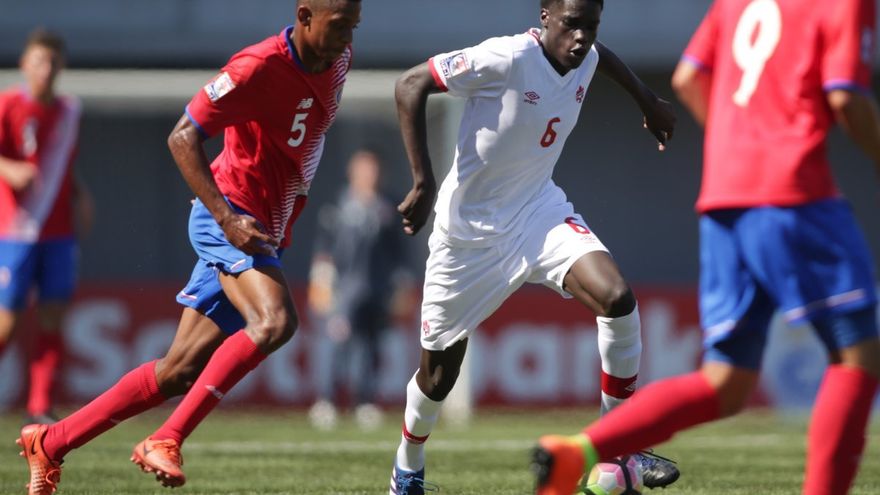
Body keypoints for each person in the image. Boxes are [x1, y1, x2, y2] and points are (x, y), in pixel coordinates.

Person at [533, 0, 880, 493]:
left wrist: (744, 146)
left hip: (726, 199)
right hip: (795, 194)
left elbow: (689, 77)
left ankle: (578, 451)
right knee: (856, 356)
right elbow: (845, 96)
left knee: (726, 382)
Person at [16, 1, 361, 494]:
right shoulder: (256, 67)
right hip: (230, 216)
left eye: (354, 26)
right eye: (340, 25)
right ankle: (168, 437)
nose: (348, 37)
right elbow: (182, 137)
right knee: (274, 322)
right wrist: (226, 216)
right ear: (305, 16)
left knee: (177, 371)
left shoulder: (339, 59)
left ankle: (51, 441)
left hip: (264, 227)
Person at [388, 0, 679, 493]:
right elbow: (410, 84)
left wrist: (648, 100)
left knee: (617, 298)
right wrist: (423, 181)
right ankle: (407, 467)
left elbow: (600, 57)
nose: (582, 38)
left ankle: (618, 442)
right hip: (468, 238)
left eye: (591, 26)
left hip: (537, 213)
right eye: (571, 24)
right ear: (545, 17)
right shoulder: (504, 58)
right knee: (437, 379)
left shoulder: (583, 53)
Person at [0, 29, 94, 425]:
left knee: (53, 316)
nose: (46, 68)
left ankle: (40, 408)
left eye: (53, 61)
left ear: (62, 66)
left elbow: (61, 167)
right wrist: (9, 168)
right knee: (7, 322)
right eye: (39, 60)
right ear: (24, 64)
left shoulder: (69, 110)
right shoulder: (7, 104)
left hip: (58, 233)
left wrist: (80, 194)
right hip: (16, 230)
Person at [307, 148, 411, 431]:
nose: (369, 175)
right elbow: (324, 248)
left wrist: (401, 284)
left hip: (377, 289)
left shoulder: (388, 208)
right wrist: (322, 281)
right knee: (336, 341)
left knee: (371, 345)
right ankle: (326, 400)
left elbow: (399, 252)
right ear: (352, 172)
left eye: (373, 169)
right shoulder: (338, 206)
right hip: (343, 289)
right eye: (364, 169)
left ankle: (365, 400)